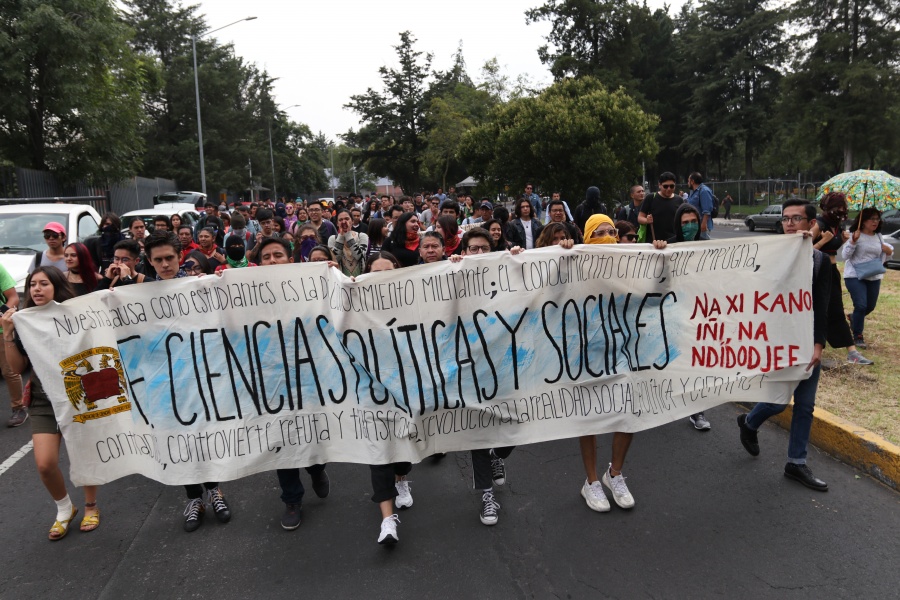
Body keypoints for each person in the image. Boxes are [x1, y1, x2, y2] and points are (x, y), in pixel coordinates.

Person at [737, 199, 832, 491]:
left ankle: (796, 462)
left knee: (805, 405)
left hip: (806, 343)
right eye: (786, 219)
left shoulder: (820, 262)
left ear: (810, 224)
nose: (790, 223)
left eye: (797, 219)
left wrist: (818, 344)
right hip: (778, 342)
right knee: (778, 401)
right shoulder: (767, 256)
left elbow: (822, 306)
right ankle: (750, 423)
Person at [1, 267, 100, 538]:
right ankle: (65, 508)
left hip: (77, 396)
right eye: (33, 284)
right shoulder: (23, 322)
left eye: (44, 283)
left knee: (83, 454)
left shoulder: (74, 317)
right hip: (44, 401)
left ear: (56, 286)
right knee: (45, 463)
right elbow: (17, 366)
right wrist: (8, 333)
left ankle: (91, 506)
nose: (36, 289)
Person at [144, 231, 232, 531]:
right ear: (149, 261)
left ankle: (214, 490)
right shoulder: (137, 296)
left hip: (199, 374)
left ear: (179, 255)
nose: (165, 264)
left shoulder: (197, 286)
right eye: (159, 260)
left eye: (170, 257)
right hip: (162, 380)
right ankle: (193, 496)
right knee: (178, 440)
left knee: (203, 434)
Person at [449, 228, 519, 525]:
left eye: (483, 249)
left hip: (506, 363)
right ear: (463, 252)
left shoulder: (509, 272)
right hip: (469, 366)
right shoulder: (452, 274)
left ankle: (498, 453)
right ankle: (487, 495)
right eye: (472, 249)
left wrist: (520, 263)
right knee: (478, 431)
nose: (478, 254)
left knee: (517, 420)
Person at [358, 251, 412, 544]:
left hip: (406, 389)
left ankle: (402, 479)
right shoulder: (351, 306)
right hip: (369, 393)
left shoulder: (413, 301)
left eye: (386, 272)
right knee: (378, 453)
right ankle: (387, 521)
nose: (380, 278)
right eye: (374, 272)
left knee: (402, 448)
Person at [812, 192, 872, 365]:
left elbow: (835, 251)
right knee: (819, 311)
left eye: (843, 207)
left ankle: (852, 352)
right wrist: (822, 242)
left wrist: (846, 241)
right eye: (838, 207)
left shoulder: (838, 226)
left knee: (836, 309)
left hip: (832, 271)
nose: (842, 210)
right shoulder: (819, 224)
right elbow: (803, 251)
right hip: (817, 272)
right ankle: (816, 350)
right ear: (828, 208)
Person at [841, 208, 893, 348]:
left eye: (877, 219)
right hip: (854, 275)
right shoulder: (855, 235)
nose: (875, 222)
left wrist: (889, 252)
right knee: (861, 305)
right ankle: (858, 336)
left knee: (870, 306)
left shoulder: (878, 236)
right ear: (863, 221)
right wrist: (852, 241)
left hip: (873, 275)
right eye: (872, 219)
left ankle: (854, 318)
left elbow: (884, 254)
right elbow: (845, 256)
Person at [0, 264, 25, 427]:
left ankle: (19, 407)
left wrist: (2, 316)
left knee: (9, 370)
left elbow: (13, 298)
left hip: (1, 330)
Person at [638, 172, 683, 243]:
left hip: (673, 242)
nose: (669, 189)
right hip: (654, 242)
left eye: (672, 186)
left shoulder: (679, 200)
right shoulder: (651, 198)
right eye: (665, 186)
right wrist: (647, 220)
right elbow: (640, 217)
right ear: (659, 185)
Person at [328, 209, 369, 277]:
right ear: (337, 223)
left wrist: (348, 235)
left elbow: (359, 256)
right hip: (341, 279)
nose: (344, 222)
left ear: (352, 221)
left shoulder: (362, 236)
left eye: (347, 219)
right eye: (340, 220)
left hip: (360, 279)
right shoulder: (332, 239)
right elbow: (335, 259)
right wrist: (341, 236)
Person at [687, 172, 715, 240]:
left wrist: (704, 224)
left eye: (688, 181)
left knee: (704, 247)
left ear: (692, 181)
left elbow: (707, 209)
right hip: (694, 225)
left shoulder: (704, 191)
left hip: (702, 225)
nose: (688, 183)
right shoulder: (693, 192)